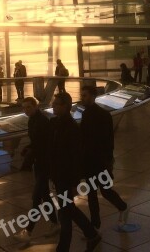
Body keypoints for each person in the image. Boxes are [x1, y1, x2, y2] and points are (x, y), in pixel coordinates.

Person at [49, 92, 101, 252]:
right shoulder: (56, 123)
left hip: (65, 176)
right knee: (67, 209)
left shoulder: (71, 128)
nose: (53, 106)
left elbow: (76, 157)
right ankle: (91, 235)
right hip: (59, 175)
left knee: (66, 211)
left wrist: (74, 182)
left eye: (57, 104)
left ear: (66, 106)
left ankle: (64, 247)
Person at [80, 85, 129, 230]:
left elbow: (106, 139)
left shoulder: (98, 115)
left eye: (85, 95)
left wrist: (108, 159)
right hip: (92, 160)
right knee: (93, 193)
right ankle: (96, 224)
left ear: (93, 96)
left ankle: (122, 207)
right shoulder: (90, 114)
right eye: (82, 95)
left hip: (99, 161)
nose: (83, 98)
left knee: (103, 191)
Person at [15, 97, 59, 243]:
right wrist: (29, 148)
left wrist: (31, 151)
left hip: (45, 164)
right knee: (45, 196)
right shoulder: (33, 120)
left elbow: (43, 144)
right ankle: (55, 223)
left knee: (36, 198)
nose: (26, 110)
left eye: (28, 107)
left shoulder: (42, 122)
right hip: (39, 163)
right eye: (24, 108)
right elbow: (36, 142)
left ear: (35, 106)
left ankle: (28, 231)